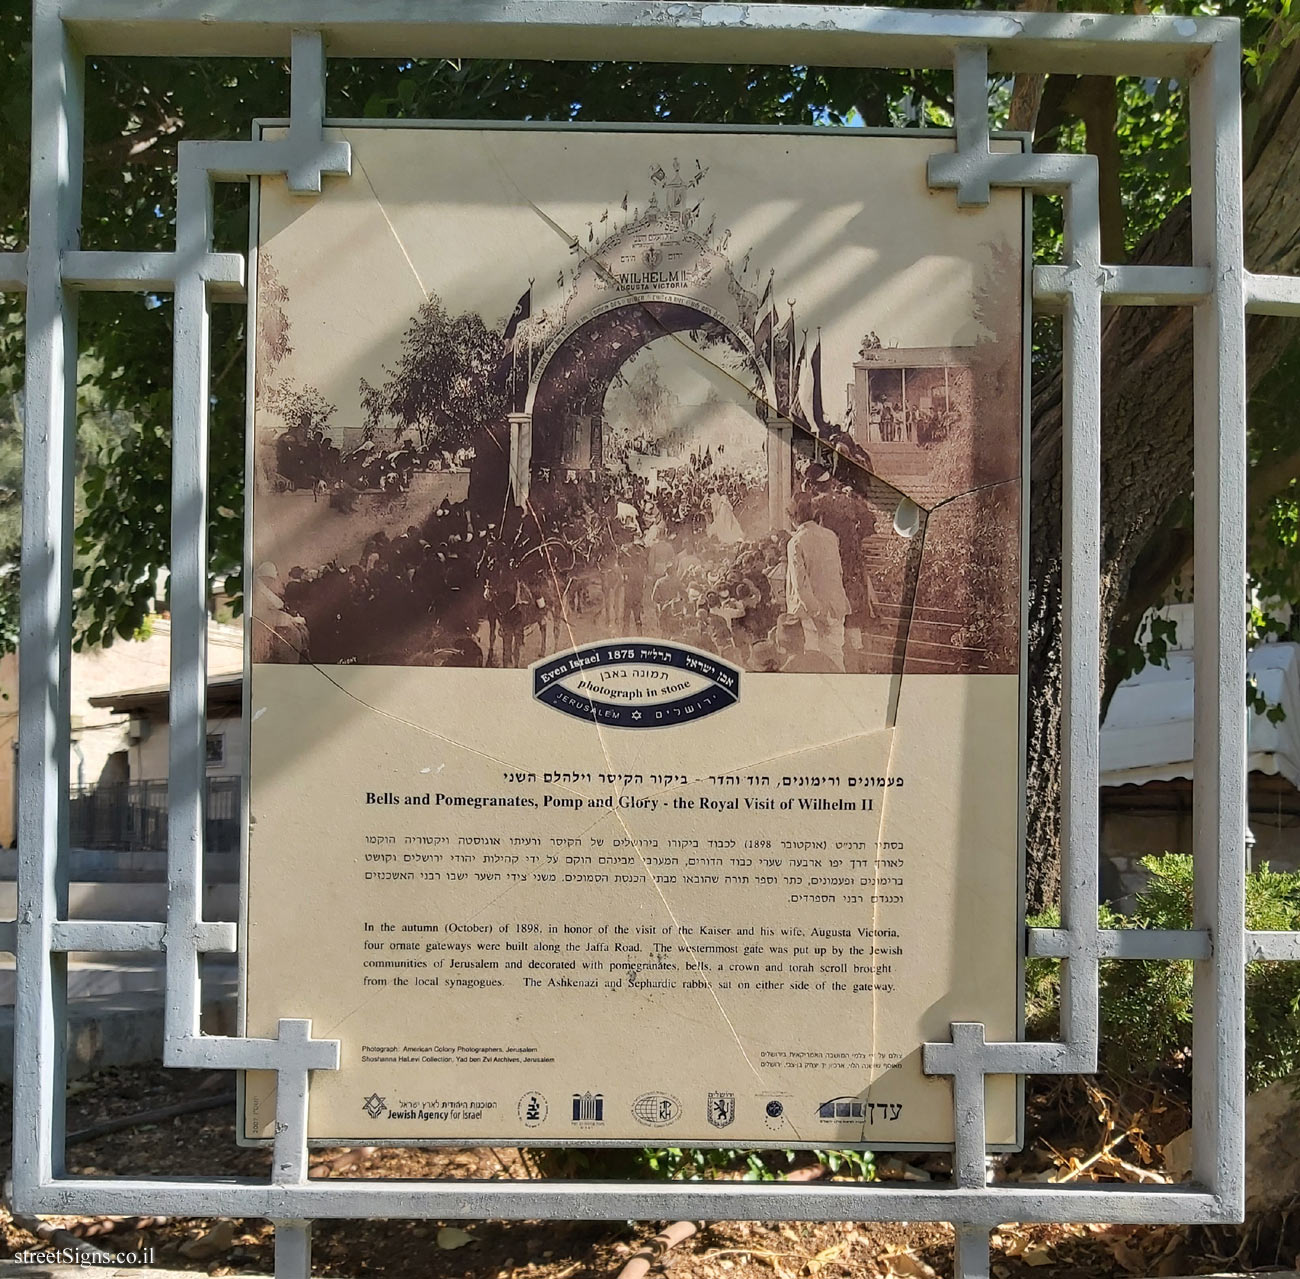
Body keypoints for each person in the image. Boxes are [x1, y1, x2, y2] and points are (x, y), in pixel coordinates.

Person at [785, 492, 850, 671]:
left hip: (811, 615)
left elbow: (801, 585)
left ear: (793, 518)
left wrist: (817, 615)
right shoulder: (830, 536)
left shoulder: (795, 542)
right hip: (835, 607)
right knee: (836, 658)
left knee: (813, 663)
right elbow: (837, 573)